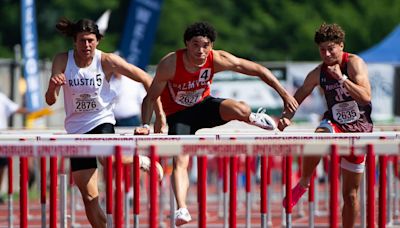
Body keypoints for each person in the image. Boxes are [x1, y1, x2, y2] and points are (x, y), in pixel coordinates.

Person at [135, 21, 298, 226]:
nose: (200, 51)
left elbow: (258, 70)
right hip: (179, 115)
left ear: (211, 46)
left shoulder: (218, 58)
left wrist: (284, 95)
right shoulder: (170, 64)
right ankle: (182, 208)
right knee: (180, 161)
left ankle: (251, 118)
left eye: (205, 45)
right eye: (195, 45)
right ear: (187, 44)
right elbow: (150, 98)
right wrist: (145, 124)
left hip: (204, 107)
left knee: (242, 108)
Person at [45, 18, 166, 228]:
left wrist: (160, 116)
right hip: (76, 129)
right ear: (74, 42)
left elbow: (147, 79)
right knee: (90, 196)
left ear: (98, 41)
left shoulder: (107, 60)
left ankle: (138, 160)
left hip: (101, 120)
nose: (86, 46)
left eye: (90, 41)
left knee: (106, 158)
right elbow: (50, 100)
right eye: (82, 41)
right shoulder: (63, 60)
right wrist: (51, 87)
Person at [279, 23, 373, 228]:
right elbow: (299, 95)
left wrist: (343, 79)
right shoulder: (317, 73)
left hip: (359, 127)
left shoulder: (355, 63)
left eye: (331, 48)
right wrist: (286, 117)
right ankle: (304, 182)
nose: (327, 53)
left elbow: (366, 97)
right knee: (318, 137)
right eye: (322, 50)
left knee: (350, 195)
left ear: (341, 45)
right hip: (335, 122)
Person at [0, 92, 29, 203]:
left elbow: (16, 108)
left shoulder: (1, 97)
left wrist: (32, 112)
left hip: (2, 137)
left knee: (2, 165)